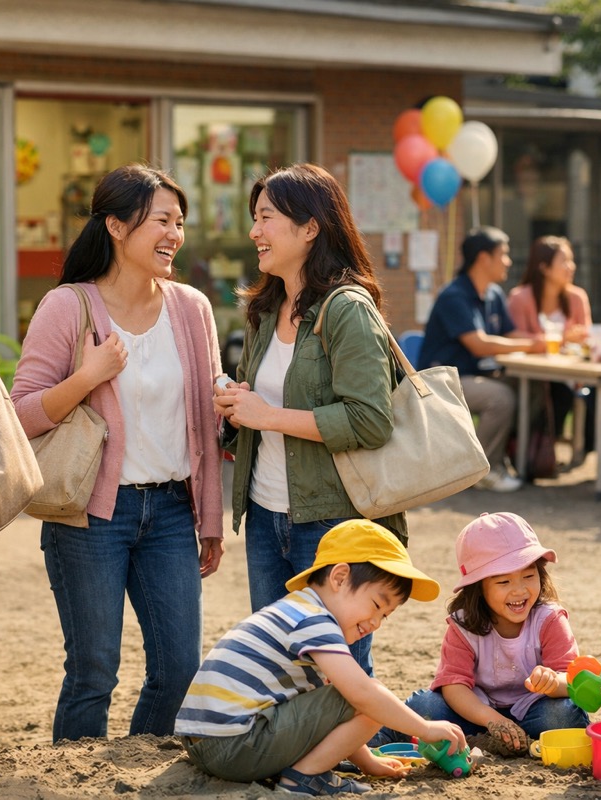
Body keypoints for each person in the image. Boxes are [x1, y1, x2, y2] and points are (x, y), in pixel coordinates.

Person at [11, 165, 224, 741]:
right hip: (90, 517)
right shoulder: (68, 306)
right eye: (161, 220)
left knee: (180, 670)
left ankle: (128, 770)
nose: (174, 234)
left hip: (172, 513)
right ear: (115, 226)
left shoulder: (191, 308)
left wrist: (209, 517)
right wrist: (88, 377)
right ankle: (76, 778)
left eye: (180, 222)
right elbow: (20, 413)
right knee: (93, 672)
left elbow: (204, 421)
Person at [214, 163, 402, 676]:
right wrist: (234, 408)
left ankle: (337, 757)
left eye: (266, 217)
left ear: (311, 227)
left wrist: (269, 416)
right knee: (278, 666)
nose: (254, 232)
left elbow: (370, 421)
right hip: (263, 512)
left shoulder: (347, 309)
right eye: (254, 218)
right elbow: (254, 415)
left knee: (337, 670)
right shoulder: (262, 310)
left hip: (332, 522)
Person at [174, 519, 467, 794]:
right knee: (371, 695)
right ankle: (304, 778)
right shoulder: (314, 620)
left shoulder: (297, 609)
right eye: (376, 604)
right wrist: (425, 728)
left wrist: (367, 762)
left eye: (385, 616)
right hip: (235, 745)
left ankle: (309, 767)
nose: (376, 622)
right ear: (339, 577)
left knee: (352, 695)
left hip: (207, 743)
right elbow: (361, 697)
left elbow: (330, 710)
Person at [390, 512, 588, 756]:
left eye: (528, 576)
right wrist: (493, 720)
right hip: (477, 713)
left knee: (564, 714)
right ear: (479, 588)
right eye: (503, 582)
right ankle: (483, 737)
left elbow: (571, 679)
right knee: (425, 706)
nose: (519, 590)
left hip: (533, 711)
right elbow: (454, 686)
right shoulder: (463, 626)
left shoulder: (549, 619)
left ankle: (513, 738)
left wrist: (552, 682)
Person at [419, 227, 544, 493]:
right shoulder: (454, 295)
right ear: (484, 258)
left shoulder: (494, 293)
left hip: (476, 374)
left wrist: (547, 340)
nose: (508, 261)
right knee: (500, 397)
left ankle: (509, 458)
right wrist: (531, 345)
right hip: (440, 381)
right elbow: (478, 344)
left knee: (532, 387)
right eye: (504, 255)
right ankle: (479, 470)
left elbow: (510, 333)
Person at [507, 236, 596, 459]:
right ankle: (534, 451)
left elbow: (588, 337)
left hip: (569, 373)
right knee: (550, 392)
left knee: (578, 393)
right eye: (564, 261)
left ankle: (549, 451)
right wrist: (558, 339)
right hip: (533, 374)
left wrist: (576, 340)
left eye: (572, 260)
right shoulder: (520, 298)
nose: (571, 267)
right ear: (544, 267)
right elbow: (513, 336)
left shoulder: (577, 297)